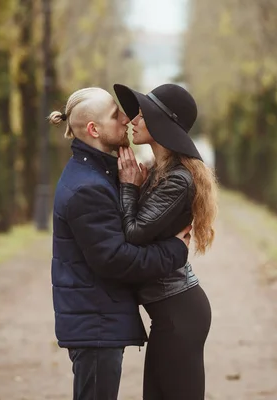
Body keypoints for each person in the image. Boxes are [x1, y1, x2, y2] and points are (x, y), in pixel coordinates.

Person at [48, 87, 193, 400]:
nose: (126, 119)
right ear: (94, 130)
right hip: (96, 323)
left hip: (98, 318)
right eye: (116, 115)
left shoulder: (97, 174)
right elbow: (116, 260)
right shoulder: (88, 187)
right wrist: (175, 251)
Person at [113, 83, 219, 400]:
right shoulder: (162, 172)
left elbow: (133, 233)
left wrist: (129, 187)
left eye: (141, 115)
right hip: (170, 314)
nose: (132, 120)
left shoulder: (176, 179)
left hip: (179, 313)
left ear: (161, 123)